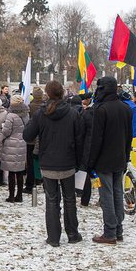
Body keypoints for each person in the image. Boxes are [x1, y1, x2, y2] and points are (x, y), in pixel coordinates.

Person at [24, 80, 84, 246]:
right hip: (67, 162)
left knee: (52, 200)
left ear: (48, 94)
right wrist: (78, 162)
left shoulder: (42, 113)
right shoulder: (72, 113)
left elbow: (27, 135)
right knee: (69, 199)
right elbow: (80, 140)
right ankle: (72, 234)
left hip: (49, 162)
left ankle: (53, 237)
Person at [86, 77, 132, 244]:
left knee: (107, 196)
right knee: (117, 194)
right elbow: (129, 137)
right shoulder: (126, 108)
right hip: (119, 158)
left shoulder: (101, 109)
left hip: (104, 160)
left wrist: (90, 162)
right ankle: (118, 230)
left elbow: (96, 139)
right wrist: (126, 156)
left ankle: (110, 232)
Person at [0, 95, 29, 203]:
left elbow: (6, 131)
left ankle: (11, 196)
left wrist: (2, 133)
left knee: (11, 172)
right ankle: (19, 195)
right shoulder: (26, 114)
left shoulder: (10, 115)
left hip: (11, 144)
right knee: (20, 171)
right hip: (22, 143)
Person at [24, 86, 45, 194]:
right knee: (43, 162)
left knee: (31, 162)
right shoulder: (46, 107)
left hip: (32, 139)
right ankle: (43, 182)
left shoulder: (30, 107)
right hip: (43, 138)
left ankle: (30, 184)